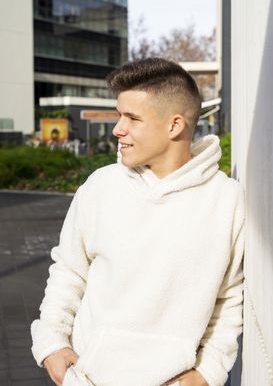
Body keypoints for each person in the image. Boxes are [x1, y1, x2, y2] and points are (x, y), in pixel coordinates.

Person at [30, 58, 246, 386]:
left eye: (132, 118)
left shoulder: (227, 201)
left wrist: (209, 371)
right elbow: (69, 272)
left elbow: (230, 298)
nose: (118, 129)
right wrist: (51, 344)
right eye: (119, 115)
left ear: (174, 126)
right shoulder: (101, 186)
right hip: (86, 378)